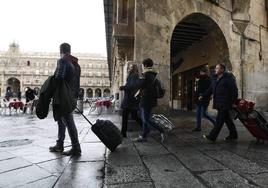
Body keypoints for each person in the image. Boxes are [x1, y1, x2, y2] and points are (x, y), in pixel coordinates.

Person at [49, 43, 81, 156]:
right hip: (71, 96)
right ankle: (59, 144)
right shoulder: (76, 64)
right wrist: (75, 97)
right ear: (69, 51)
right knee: (61, 120)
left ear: (60, 50)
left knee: (68, 121)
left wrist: (50, 90)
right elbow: (77, 83)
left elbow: (59, 78)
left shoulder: (62, 61)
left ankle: (76, 147)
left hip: (63, 96)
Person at [201, 63, 238, 143]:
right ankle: (233, 135)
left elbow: (234, 90)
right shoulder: (215, 79)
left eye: (217, 68)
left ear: (222, 70)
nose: (215, 70)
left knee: (219, 120)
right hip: (218, 103)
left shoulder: (228, 78)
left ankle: (212, 137)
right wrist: (203, 96)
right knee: (227, 120)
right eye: (216, 68)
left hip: (225, 103)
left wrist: (233, 102)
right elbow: (210, 89)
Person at [133, 58, 165, 142]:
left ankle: (161, 129)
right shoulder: (152, 74)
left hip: (146, 100)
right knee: (145, 117)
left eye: (142, 65)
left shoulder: (146, 75)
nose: (142, 67)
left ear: (145, 65)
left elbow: (140, 85)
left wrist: (138, 79)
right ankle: (144, 135)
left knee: (145, 119)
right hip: (151, 100)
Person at [119, 64, 142, 138]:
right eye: (129, 67)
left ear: (134, 68)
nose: (129, 68)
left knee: (125, 116)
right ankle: (145, 127)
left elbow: (132, 86)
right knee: (134, 116)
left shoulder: (134, 75)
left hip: (130, 100)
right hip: (131, 100)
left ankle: (123, 133)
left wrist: (123, 87)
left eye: (131, 67)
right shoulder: (132, 75)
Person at [193, 66, 216, 132]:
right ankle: (198, 127)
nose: (200, 73)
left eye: (201, 72)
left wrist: (203, 96)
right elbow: (198, 89)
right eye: (200, 72)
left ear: (205, 72)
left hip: (204, 98)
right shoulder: (200, 79)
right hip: (198, 99)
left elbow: (210, 90)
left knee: (204, 114)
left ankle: (215, 123)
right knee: (198, 114)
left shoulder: (209, 79)